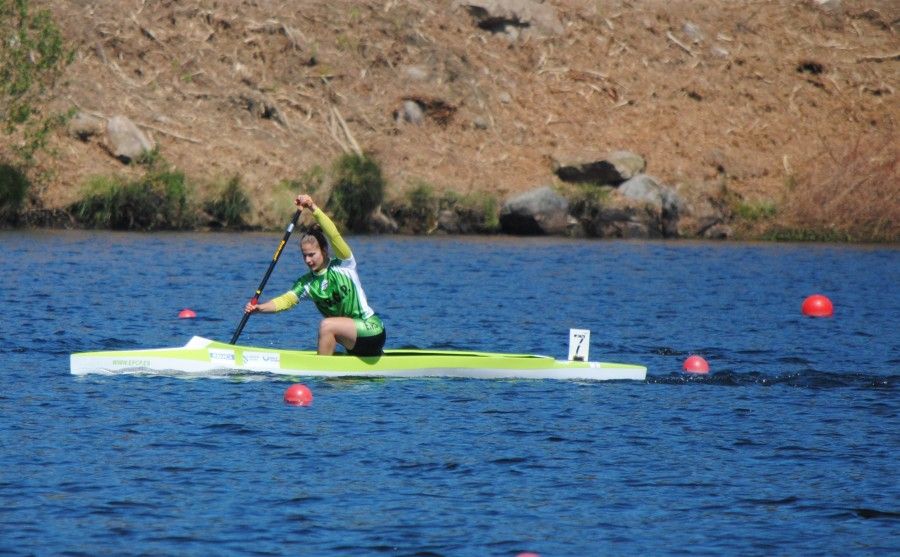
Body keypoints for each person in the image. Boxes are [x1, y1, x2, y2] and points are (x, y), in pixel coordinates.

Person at [244, 194, 386, 356]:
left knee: (326, 326)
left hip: (371, 330)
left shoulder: (344, 263)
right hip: (352, 342)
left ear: (324, 251)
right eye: (304, 255)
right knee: (329, 330)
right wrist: (259, 308)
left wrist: (312, 207)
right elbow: (286, 300)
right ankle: (329, 371)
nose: (308, 260)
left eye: (312, 254)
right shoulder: (307, 284)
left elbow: (333, 235)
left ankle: (322, 374)